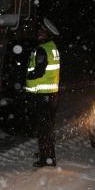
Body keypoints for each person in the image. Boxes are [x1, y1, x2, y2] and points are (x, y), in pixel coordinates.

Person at [25, 18, 61, 167]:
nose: (39, 34)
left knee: (44, 128)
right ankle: (46, 153)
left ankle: (47, 159)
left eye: (42, 32)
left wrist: (28, 75)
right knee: (47, 126)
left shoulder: (42, 49)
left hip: (43, 95)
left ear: (48, 34)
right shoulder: (52, 47)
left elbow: (39, 71)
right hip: (51, 94)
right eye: (39, 31)